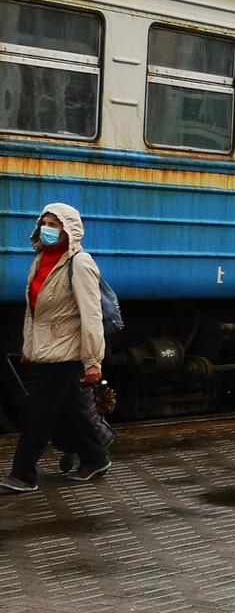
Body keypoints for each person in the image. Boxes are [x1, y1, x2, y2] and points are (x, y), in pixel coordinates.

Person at [1, 204, 110, 494]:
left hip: (66, 351)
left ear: (69, 229)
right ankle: (96, 458)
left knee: (39, 413)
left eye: (55, 224)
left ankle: (23, 475)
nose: (47, 228)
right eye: (45, 222)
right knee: (71, 408)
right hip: (46, 349)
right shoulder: (41, 260)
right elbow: (33, 312)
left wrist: (93, 361)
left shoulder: (80, 263)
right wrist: (29, 347)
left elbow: (92, 316)